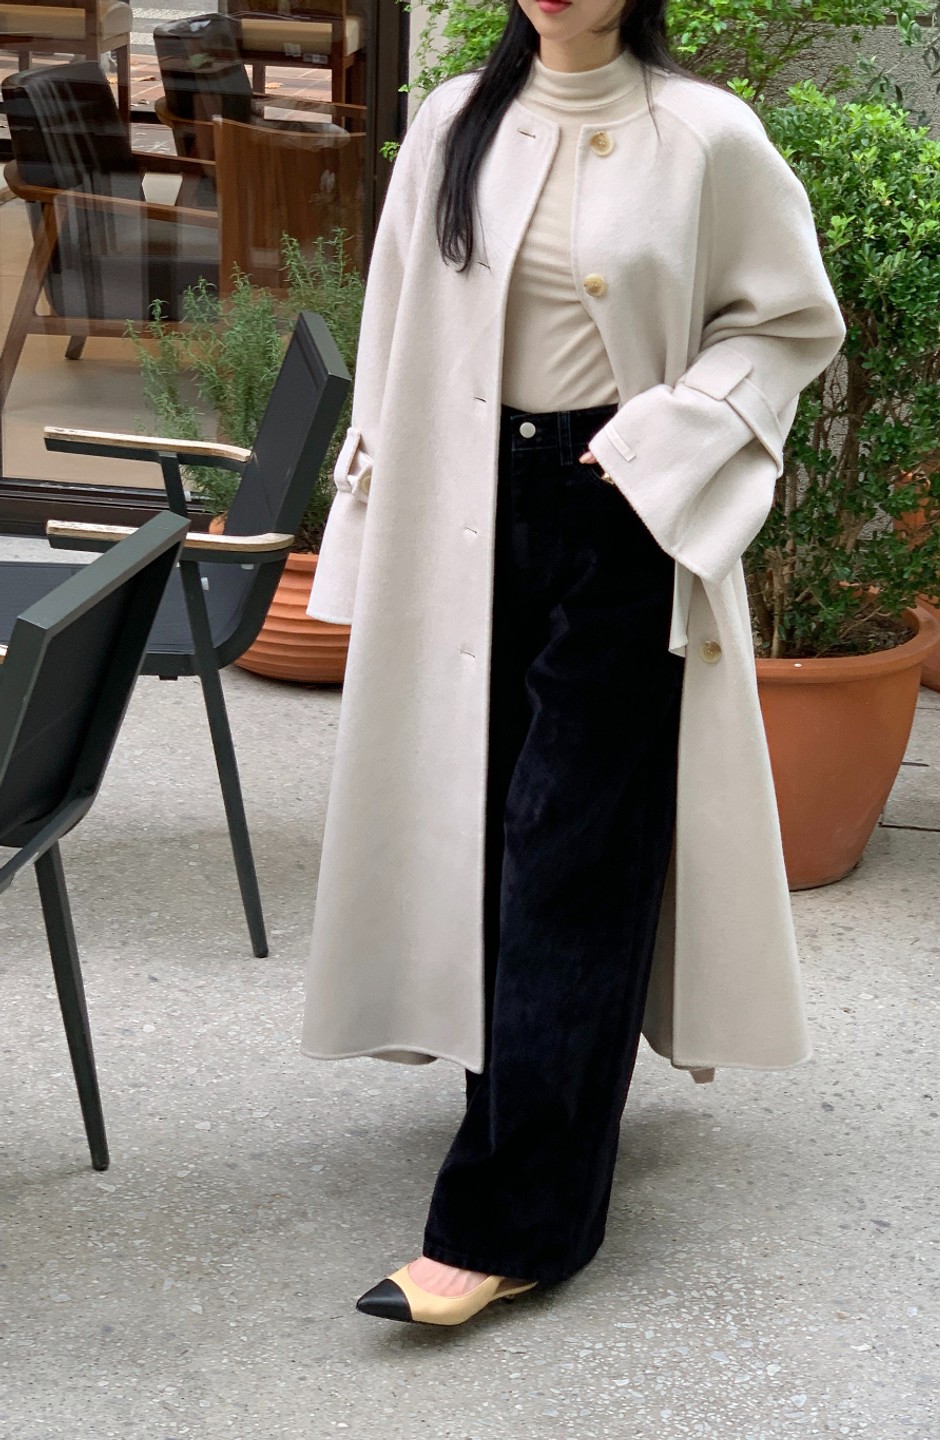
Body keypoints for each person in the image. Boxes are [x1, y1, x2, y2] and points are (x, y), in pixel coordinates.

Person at [302, 0, 846, 1326]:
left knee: (569, 855)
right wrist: (367, 531)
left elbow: (787, 323)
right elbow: (394, 334)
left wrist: (672, 433)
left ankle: (511, 1220)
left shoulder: (704, 134)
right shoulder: (452, 126)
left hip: (620, 522)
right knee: (483, 832)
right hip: (463, 515)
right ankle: (528, 1102)